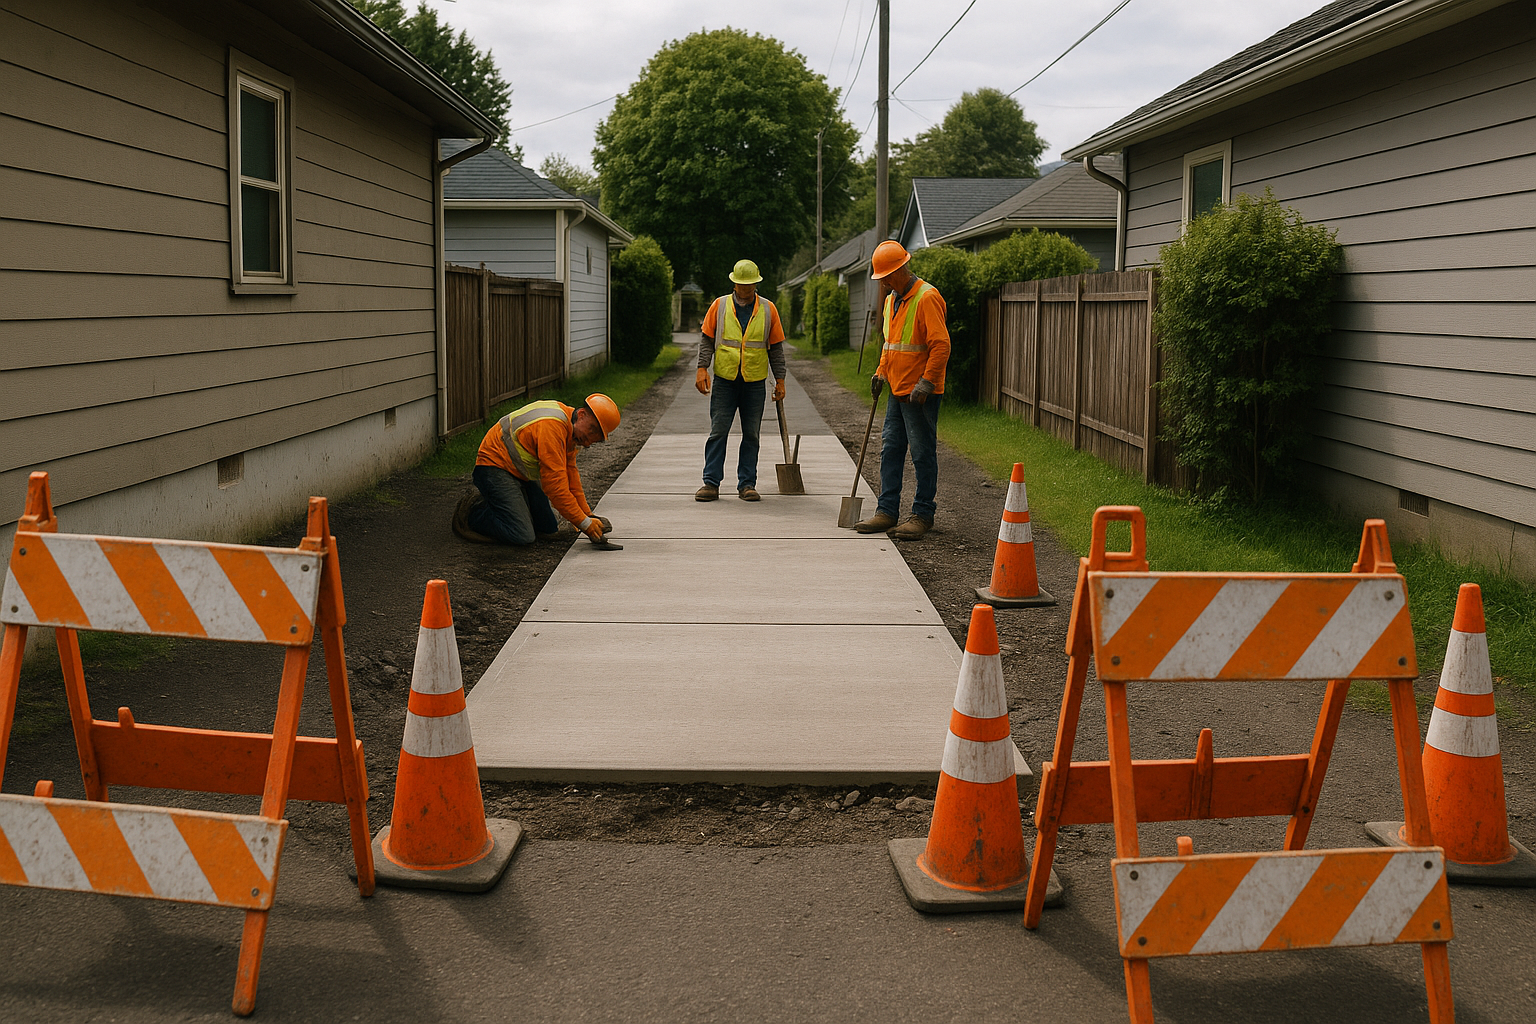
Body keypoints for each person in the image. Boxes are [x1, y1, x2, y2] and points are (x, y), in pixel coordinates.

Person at [856, 240, 950, 540]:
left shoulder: (927, 297)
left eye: (885, 276)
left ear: (900, 269)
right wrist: (880, 372)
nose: (882, 282)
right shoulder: (891, 300)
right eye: (880, 277)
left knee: (922, 453)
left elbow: (941, 345)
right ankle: (887, 511)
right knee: (890, 449)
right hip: (896, 389)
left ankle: (922, 515)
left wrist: (927, 381)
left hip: (919, 393)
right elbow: (890, 343)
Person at [453, 394, 620, 545]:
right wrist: (585, 525)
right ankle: (475, 513)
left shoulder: (570, 430)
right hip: (494, 467)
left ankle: (513, 504)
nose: (588, 442)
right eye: (592, 431)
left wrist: (588, 516)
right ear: (582, 415)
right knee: (522, 535)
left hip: (520, 473)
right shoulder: (552, 427)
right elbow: (555, 488)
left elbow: (571, 477)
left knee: (548, 528)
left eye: (595, 440)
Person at [694, 259, 787, 502]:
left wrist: (781, 379)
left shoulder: (768, 309)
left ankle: (747, 484)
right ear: (734, 283)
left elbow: (775, 348)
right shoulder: (719, 305)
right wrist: (702, 367)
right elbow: (706, 339)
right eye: (741, 285)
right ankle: (711, 483)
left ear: (756, 284)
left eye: (750, 285)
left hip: (755, 382)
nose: (745, 290)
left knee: (752, 434)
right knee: (718, 431)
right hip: (725, 380)